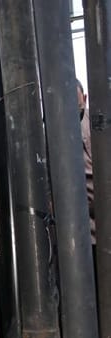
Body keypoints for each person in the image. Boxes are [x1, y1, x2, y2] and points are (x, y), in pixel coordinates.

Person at [77, 79, 94, 246]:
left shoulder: (96, 123)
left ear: (85, 98)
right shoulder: (50, 134)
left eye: (79, 107)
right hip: (84, 234)